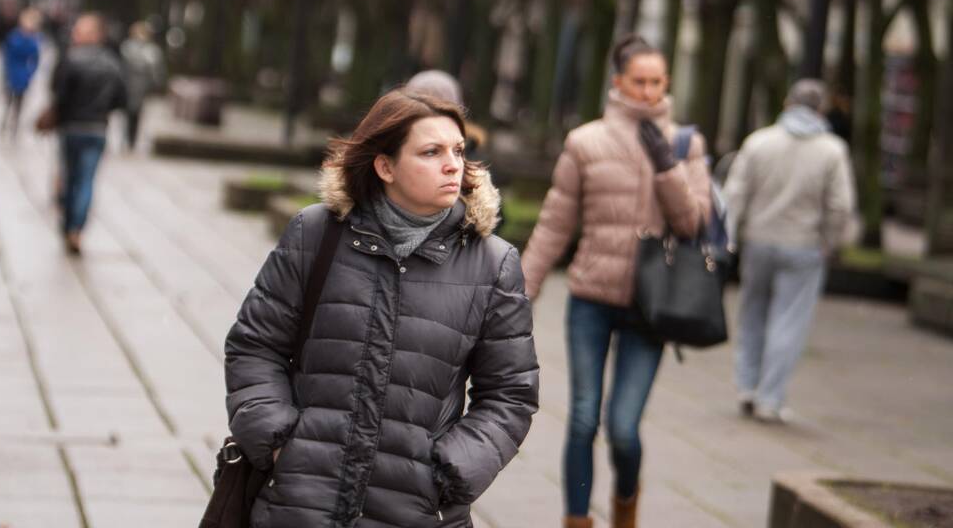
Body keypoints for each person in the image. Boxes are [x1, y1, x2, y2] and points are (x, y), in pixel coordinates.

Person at [223, 89, 539, 528]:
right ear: (385, 166)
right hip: (300, 503)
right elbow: (255, 347)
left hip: (413, 510)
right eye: (431, 152)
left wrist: (449, 473)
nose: (453, 165)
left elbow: (510, 393)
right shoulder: (314, 234)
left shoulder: (493, 263)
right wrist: (280, 444)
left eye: (459, 151)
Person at [520, 34, 712, 528]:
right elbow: (555, 222)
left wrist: (667, 168)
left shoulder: (686, 144)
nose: (649, 92)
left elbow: (694, 224)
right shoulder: (586, 141)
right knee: (583, 418)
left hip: (652, 305)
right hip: (590, 298)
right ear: (619, 82)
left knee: (624, 428)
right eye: (639, 81)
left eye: (657, 82)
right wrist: (522, 289)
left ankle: (626, 501)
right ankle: (577, 519)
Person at [723, 79, 854, 424]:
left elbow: (735, 193)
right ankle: (770, 398)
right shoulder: (832, 150)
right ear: (821, 109)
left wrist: (731, 236)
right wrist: (830, 240)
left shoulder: (759, 142)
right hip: (804, 246)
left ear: (787, 103)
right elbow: (841, 205)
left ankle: (746, 386)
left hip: (758, 241)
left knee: (752, 313)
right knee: (788, 322)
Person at [49, 13, 127, 254]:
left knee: (70, 177)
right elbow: (121, 99)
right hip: (96, 129)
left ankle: (68, 222)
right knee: (86, 181)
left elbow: (58, 94)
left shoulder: (70, 59)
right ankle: (77, 228)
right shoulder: (113, 63)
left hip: (71, 128)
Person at [119, 21, 165, 149]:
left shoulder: (152, 50)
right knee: (128, 113)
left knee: (137, 113)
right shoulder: (127, 47)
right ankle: (127, 138)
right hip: (128, 85)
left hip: (142, 86)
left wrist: (156, 84)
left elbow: (156, 70)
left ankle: (132, 139)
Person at [1, 8, 42, 139]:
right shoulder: (14, 37)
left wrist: (30, 72)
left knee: (19, 101)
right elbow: (7, 54)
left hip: (23, 74)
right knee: (9, 99)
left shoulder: (33, 40)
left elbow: (36, 59)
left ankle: (15, 123)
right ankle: (6, 120)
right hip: (12, 71)